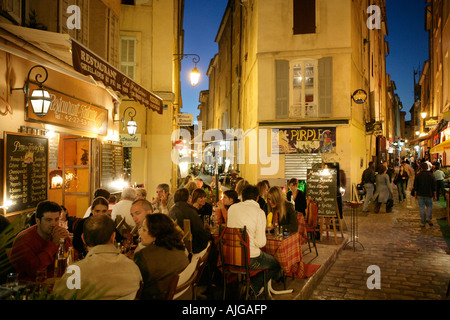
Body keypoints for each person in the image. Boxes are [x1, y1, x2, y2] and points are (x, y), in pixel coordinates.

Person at [53, 214, 142, 300]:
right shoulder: (133, 268)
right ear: (113, 237)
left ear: (83, 238)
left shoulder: (77, 272)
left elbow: (57, 296)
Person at [227, 185, 281, 296]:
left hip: (230, 257)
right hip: (249, 260)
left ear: (243, 196)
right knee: (275, 265)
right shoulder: (259, 212)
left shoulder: (232, 208)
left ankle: (247, 285)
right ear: (257, 198)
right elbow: (261, 243)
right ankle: (252, 286)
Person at [9, 201, 72, 281]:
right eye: (48, 220)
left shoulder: (59, 234)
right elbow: (34, 270)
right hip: (32, 286)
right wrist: (53, 244)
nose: (54, 224)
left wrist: (65, 242)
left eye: (56, 219)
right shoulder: (24, 239)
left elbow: (72, 261)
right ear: (38, 221)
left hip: (59, 283)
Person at [133, 213, 189, 300]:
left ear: (156, 233)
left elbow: (134, 286)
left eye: (144, 230)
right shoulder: (180, 250)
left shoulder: (144, 257)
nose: (140, 233)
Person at [169, 188, 210, 254]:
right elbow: (201, 234)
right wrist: (208, 230)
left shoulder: (171, 211)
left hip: (175, 246)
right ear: (188, 198)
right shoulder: (190, 211)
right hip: (192, 249)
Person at [414, 162, 436, 227]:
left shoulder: (418, 175)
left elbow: (415, 186)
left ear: (421, 168)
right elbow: (434, 186)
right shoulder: (431, 175)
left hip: (420, 194)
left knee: (421, 208)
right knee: (429, 206)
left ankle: (423, 222)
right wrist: (435, 195)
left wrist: (415, 194)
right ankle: (428, 218)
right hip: (429, 193)